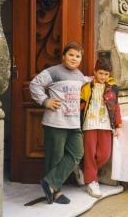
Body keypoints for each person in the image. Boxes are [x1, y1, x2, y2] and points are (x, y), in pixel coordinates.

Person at [29, 42, 89, 204]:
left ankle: (50, 182)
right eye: (71, 54)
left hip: (73, 123)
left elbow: (88, 81)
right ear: (63, 56)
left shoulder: (79, 75)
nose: (74, 58)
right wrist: (45, 101)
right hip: (55, 122)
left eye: (78, 56)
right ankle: (55, 192)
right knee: (54, 158)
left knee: (77, 153)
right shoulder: (53, 72)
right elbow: (34, 84)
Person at [80, 58, 122, 198]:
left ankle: (86, 172)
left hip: (105, 123)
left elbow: (116, 108)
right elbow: (81, 105)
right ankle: (92, 181)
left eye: (106, 74)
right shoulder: (86, 86)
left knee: (105, 153)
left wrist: (118, 125)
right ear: (95, 72)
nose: (103, 77)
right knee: (90, 153)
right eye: (101, 73)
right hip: (89, 124)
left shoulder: (112, 88)